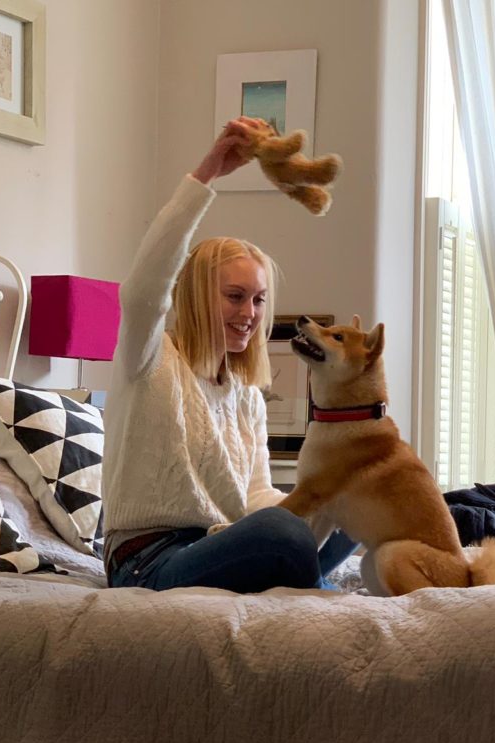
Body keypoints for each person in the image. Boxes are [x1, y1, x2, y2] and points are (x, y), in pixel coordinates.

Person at [102, 116, 357, 594]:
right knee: (281, 533)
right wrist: (208, 173)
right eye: (235, 296)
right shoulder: (147, 360)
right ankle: (315, 594)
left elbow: (256, 495)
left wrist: (333, 499)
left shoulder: (245, 395)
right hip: (146, 563)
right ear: (199, 294)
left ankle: (304, 582)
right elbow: (142, 289)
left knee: (353, 505)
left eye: (259, 300)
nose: (250, 313)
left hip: (222, 543)